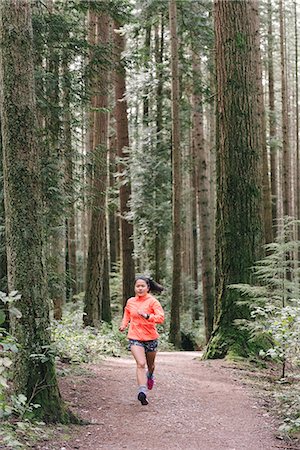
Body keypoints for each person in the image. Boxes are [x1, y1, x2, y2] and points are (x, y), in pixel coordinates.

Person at [119, 276, 165, 406]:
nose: (139, 288)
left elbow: (161, 318)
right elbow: (127, 314)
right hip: (135, 336)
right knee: (140, 363)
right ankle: (142, 391)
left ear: (148, 288)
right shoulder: (131, 301)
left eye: (142, 286)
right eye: (137, 286)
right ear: (134, 288)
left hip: (150, 338)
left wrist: (147, 316)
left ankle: (150, 375)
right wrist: (124, 324)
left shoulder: (153, 302)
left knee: (150, 366)